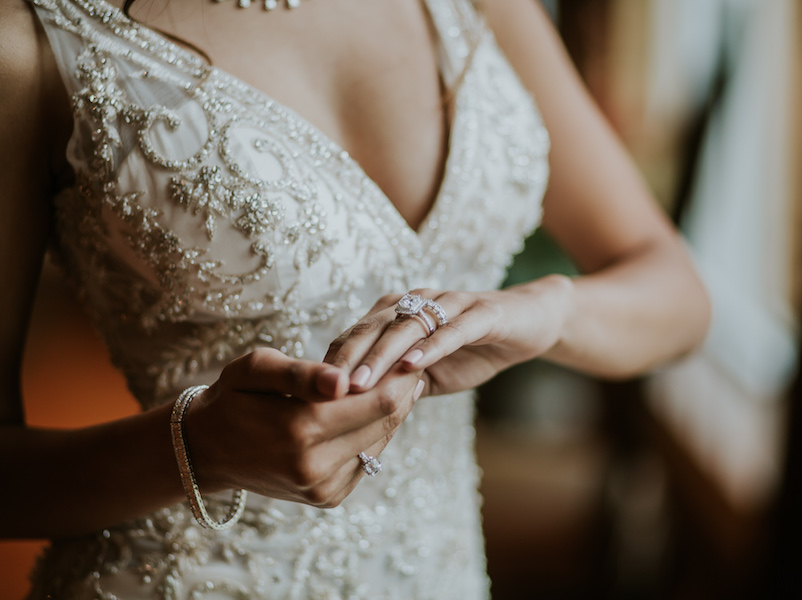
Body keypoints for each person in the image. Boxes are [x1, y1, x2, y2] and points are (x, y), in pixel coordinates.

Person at [0, 0, 710, 597]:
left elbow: (676, 294)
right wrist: (195, 450)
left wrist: (545, 312)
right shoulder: (30, 42)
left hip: (441, 574)